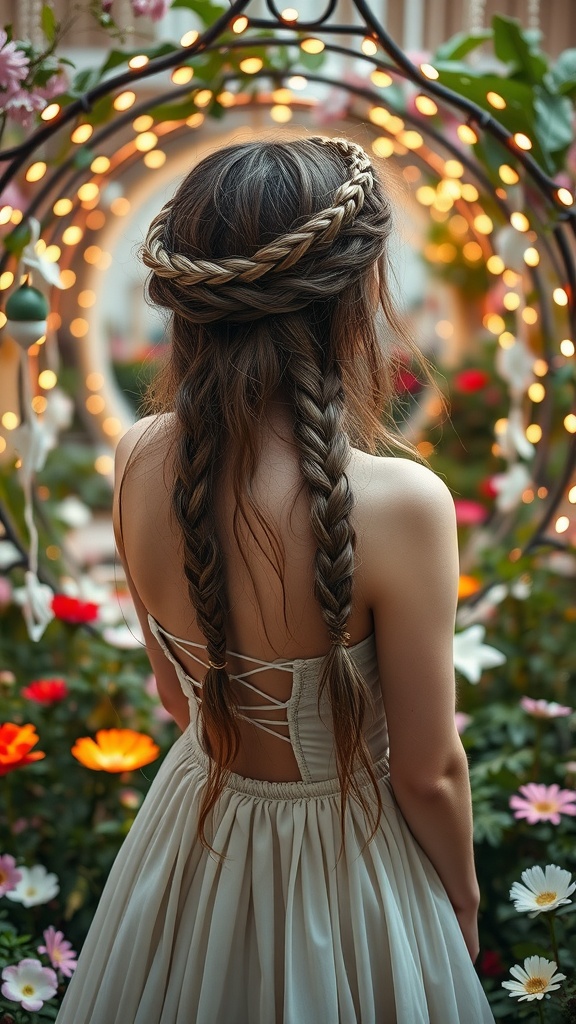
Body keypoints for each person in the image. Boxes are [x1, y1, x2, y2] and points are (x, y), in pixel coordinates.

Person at [56, 135, 495, 1023]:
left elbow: (178, 699)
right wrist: (462, 896)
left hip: (192, 841)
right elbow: (427, 774)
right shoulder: (403, 504)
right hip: (349, 864)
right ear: (356, 298)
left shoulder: (137, 456)